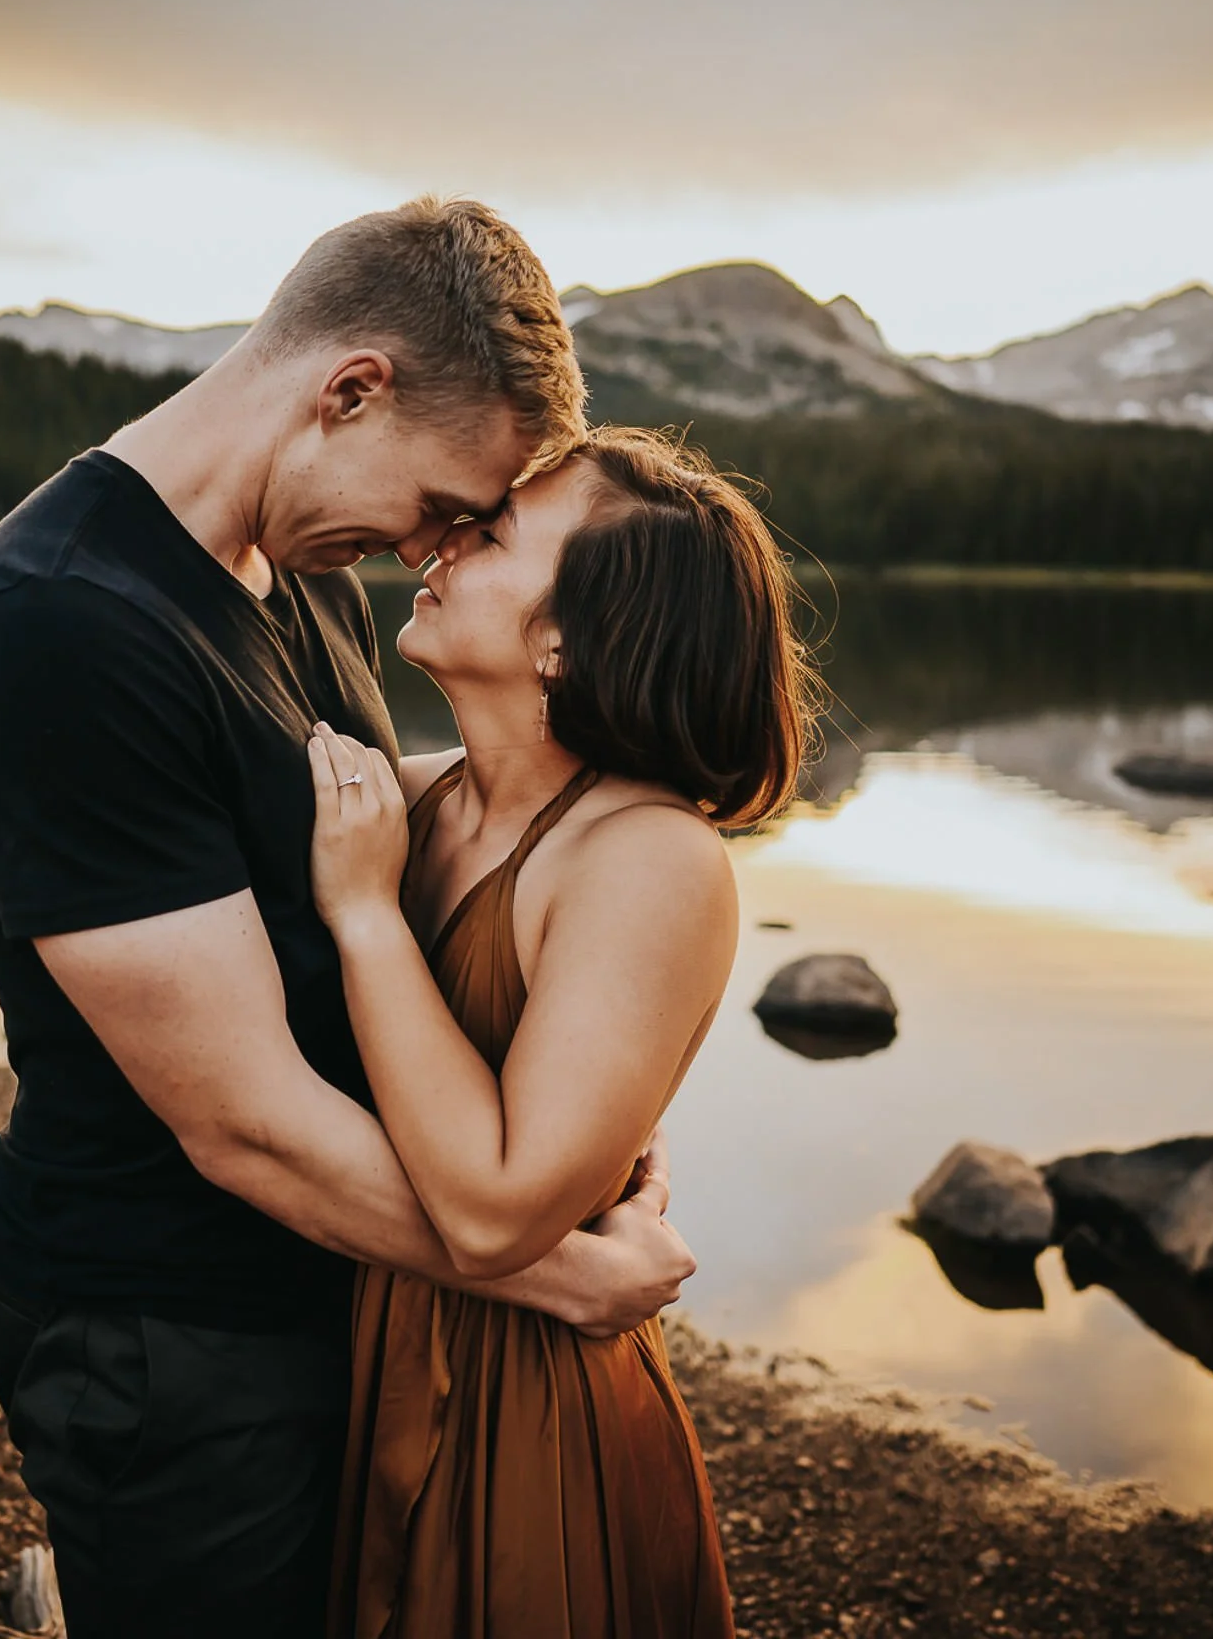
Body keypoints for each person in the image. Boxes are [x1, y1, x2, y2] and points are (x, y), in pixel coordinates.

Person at [0, 199, 700, 1639]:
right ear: (349, 393)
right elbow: (246, 1121)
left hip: (327, 1293)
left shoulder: (297, 570)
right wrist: (557, 1268)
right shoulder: (64, 625)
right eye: (445, 506)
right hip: (172, 1340)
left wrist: (584, 1041)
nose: (432, 552)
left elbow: (351, 829)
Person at [306, 427, 820, 1638]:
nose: (442, 541)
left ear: (564, 642)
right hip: (351, 1360)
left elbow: (492, 1209)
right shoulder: (408, 799)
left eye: (493, 534)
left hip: (523, 1403)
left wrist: (367, 915)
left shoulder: (649, 858)